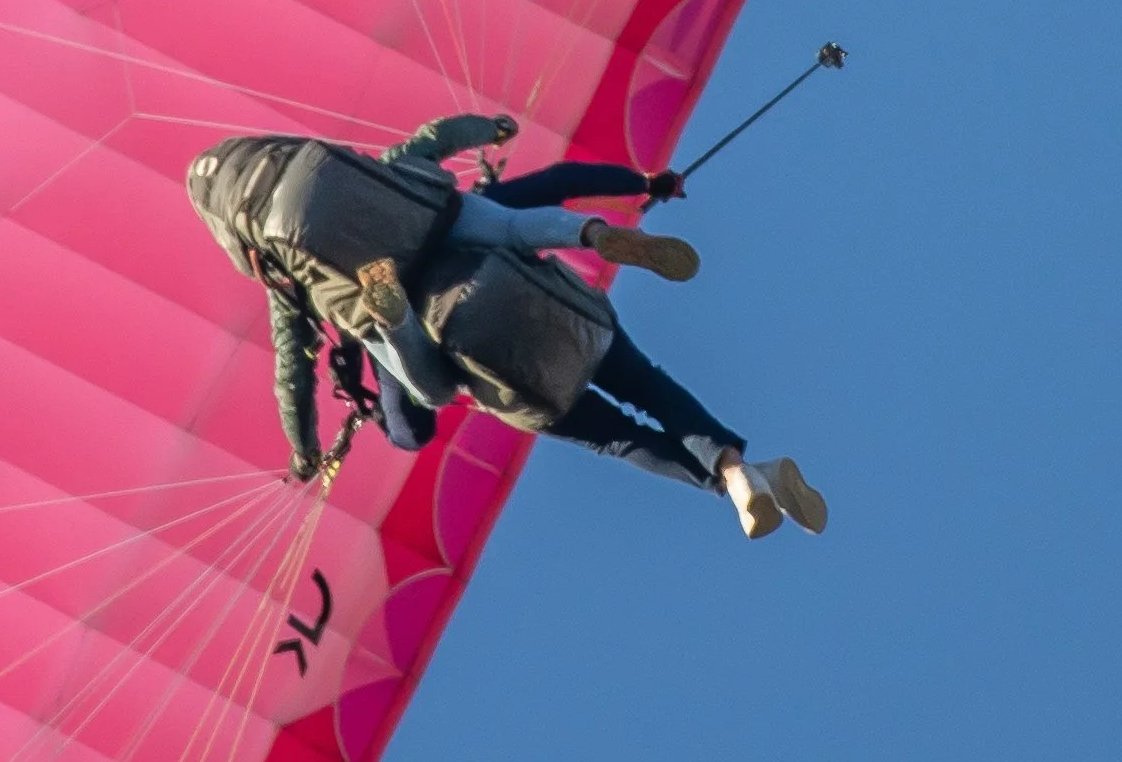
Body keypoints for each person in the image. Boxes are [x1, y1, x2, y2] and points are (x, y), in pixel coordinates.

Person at [185, 111, 826, 541]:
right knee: (646, 381)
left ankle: (395, 319)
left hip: (490, 362)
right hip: (524, 277)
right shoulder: (387, 174)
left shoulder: (289, 278)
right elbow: (540, 170)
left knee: (578, 429)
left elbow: (292, 373)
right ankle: (740, 469)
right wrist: (495, 129)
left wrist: (305, 453)